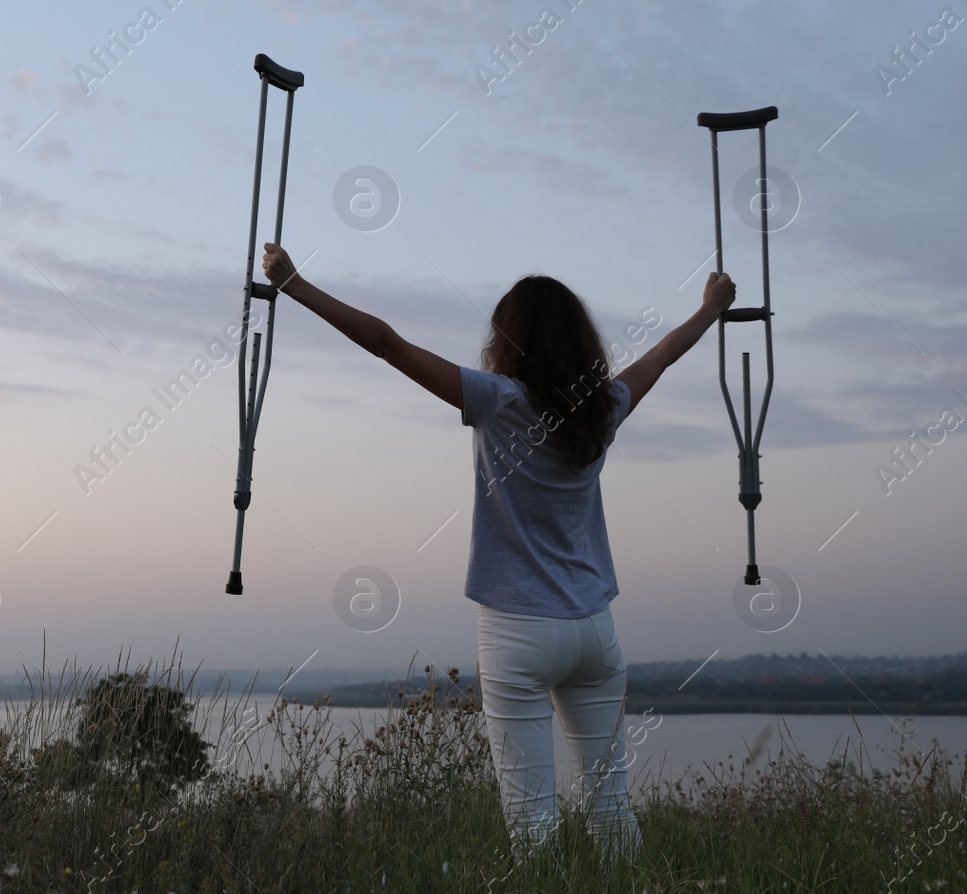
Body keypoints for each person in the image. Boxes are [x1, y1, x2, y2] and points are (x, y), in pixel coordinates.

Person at [259, 242, 736, 859]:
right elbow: (662, 356)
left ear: (508, 340)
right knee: (612, 808)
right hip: (595, 629)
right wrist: (711, 309)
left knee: (532, 826)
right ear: (581, 342)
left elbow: (387, 344)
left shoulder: (497, 400)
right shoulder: (605, 407)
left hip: (519, 630)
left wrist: (295, 284)